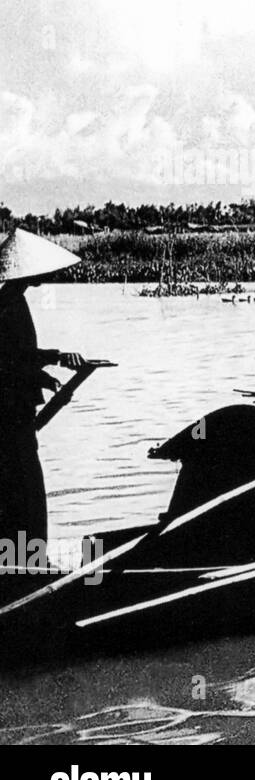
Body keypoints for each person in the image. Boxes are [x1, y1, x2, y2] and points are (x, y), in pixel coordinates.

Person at [0, 228, 85, 545]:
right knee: (24, 488)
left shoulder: (13, 300)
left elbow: (21, 357)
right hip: (11, 412)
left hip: (16, 409)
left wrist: (54, 363)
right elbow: (9, 362)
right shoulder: (8, 304)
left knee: (23, 488)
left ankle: (24, 557)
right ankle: (26, 563)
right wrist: (48, 372)